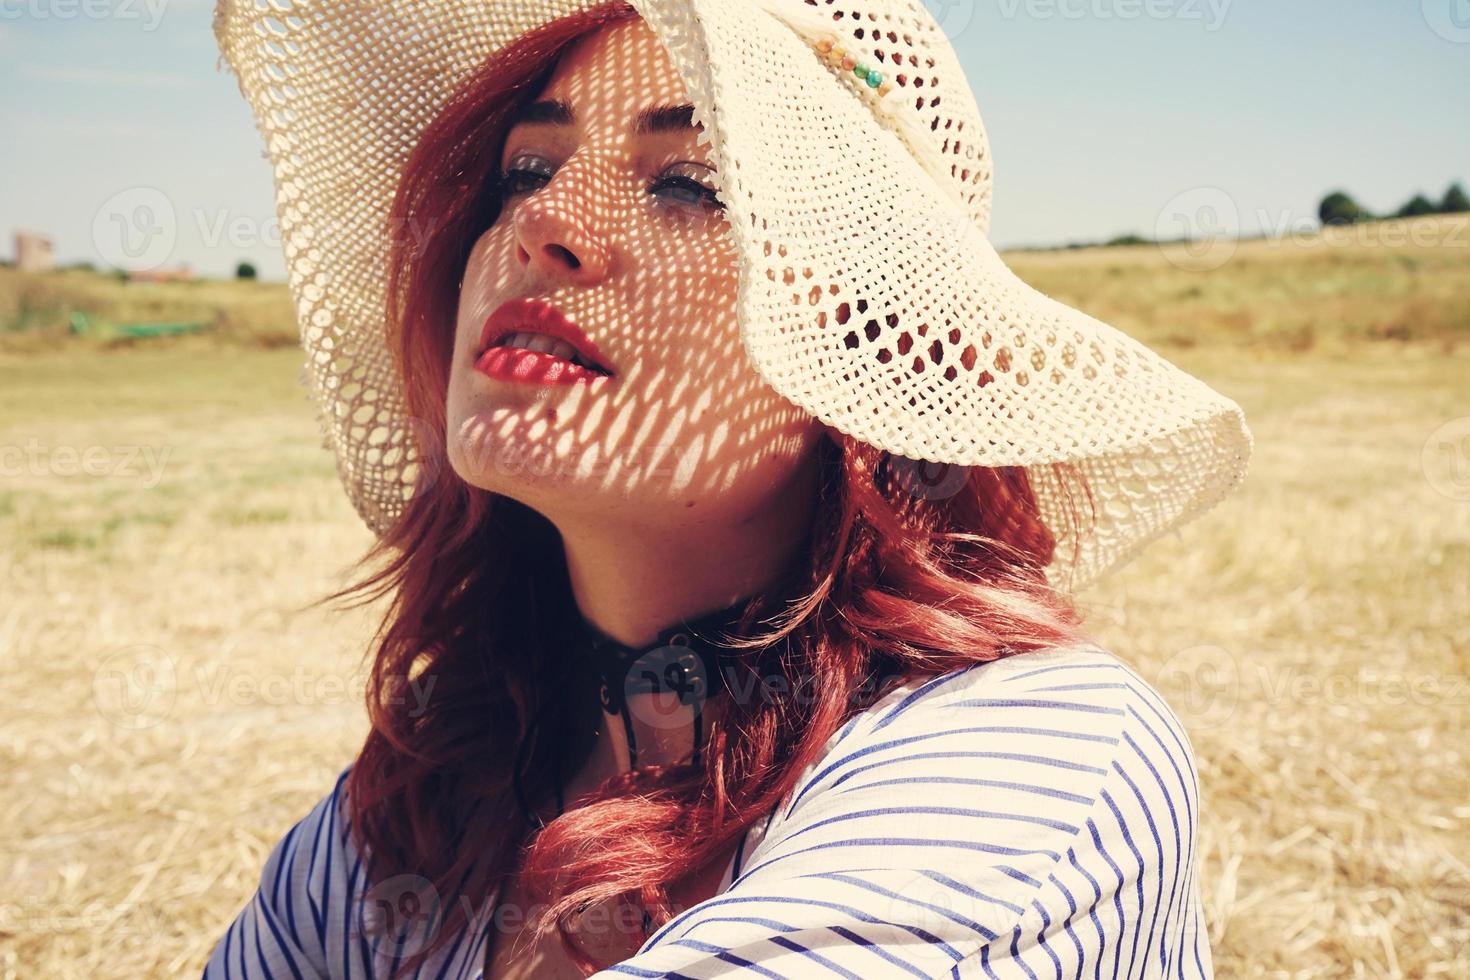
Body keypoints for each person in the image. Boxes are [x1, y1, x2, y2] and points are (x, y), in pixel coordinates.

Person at [206, 1, 1253, 977]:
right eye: (525, 167)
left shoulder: (1033, 745)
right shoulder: (439, 762)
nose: (544, 222)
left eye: (691, 183)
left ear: (870, 344)